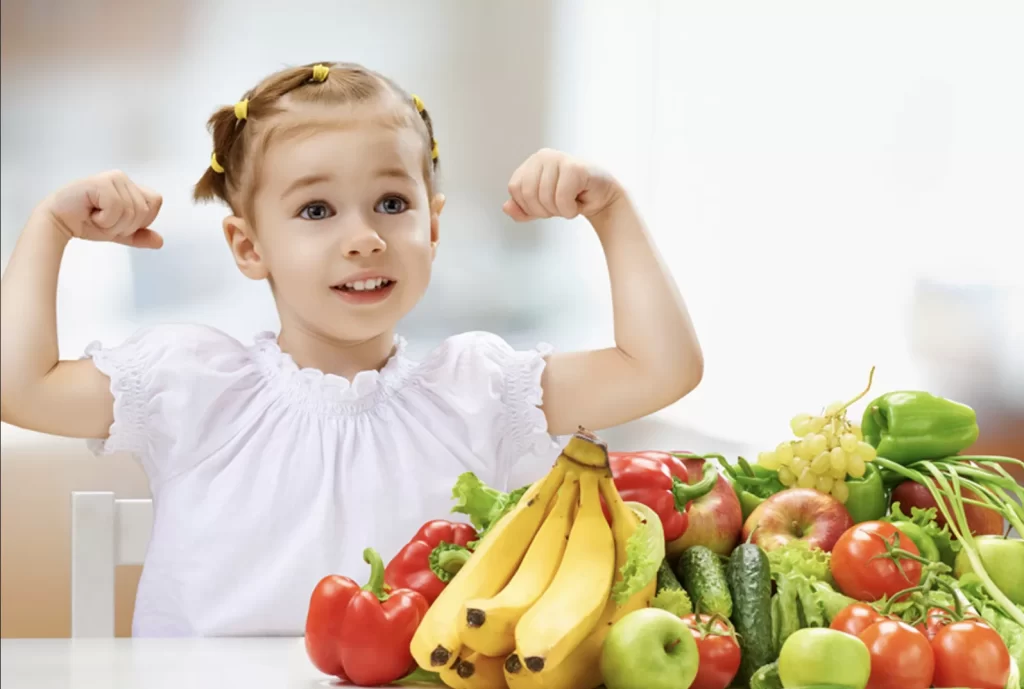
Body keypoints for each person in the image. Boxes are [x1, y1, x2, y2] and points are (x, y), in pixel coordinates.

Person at [0, 61, 703, 637]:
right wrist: (49, 226)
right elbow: (19, 388)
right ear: (249, 246)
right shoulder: (192, 383)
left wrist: (611, 212)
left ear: (434, 228)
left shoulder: (480, 389)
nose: (365, 236)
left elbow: (662, 368)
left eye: (393, 204)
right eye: (316, 211)